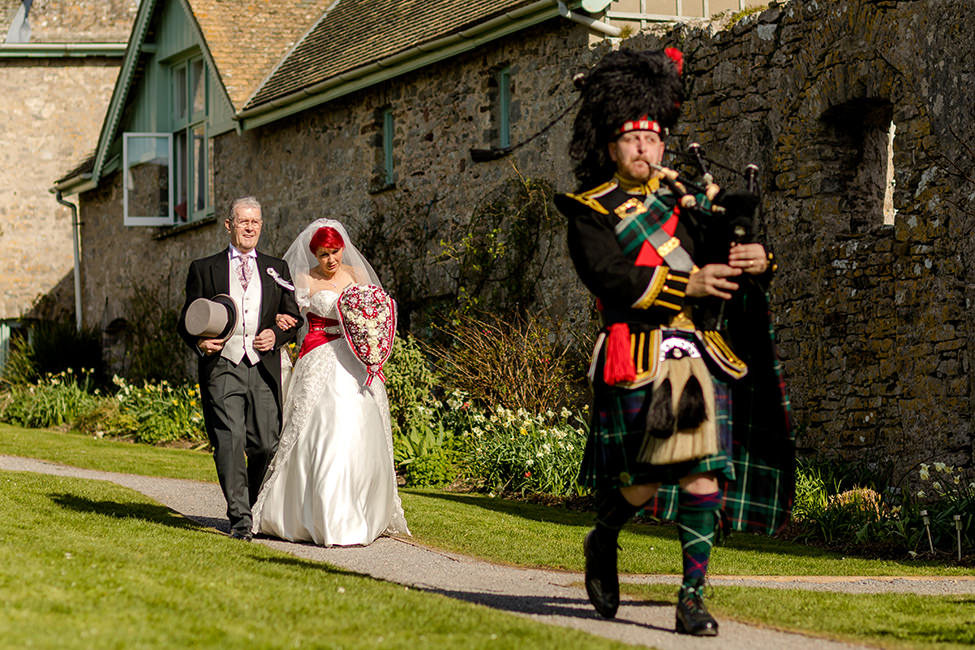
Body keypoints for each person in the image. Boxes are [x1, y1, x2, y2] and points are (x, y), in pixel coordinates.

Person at [553, 49, 793, 636]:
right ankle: (604, 535)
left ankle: (691, 598)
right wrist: (688, 280)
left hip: (699, 355)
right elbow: (611, 278)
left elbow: (725, 262)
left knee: (701, 473)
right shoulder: (590, 212)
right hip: (636, 355)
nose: (645, 148)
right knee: (643, 478)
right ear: (610, 146)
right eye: (632, 139)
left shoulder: (687, 203)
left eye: (653, 138)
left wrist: (758, 261)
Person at [250, 219, 409, 546]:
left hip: (355, 360)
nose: (331, 260)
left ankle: (362, 512)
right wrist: (281, 319)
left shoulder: (355, 275)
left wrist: (373, 348)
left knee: (359, 429)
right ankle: (314, 515)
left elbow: (377, 313)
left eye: (335, 252)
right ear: (315, 254)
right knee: (320, 429)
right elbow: (289, 316)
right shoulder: (304, 279)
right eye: (324, 254)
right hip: (320, 357)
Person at [178, 196, 301, 541]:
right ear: (229, 225)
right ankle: (241, 520)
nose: (250, 227)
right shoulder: (205, 268)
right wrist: (200, 343)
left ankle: (250, 503)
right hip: (223, 365)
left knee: (266, 442)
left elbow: (294, 320)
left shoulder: (277, 269)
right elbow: (187, 321)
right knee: (229, 440)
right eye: (243, 221)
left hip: (262, 367)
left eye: (256, 222)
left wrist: (275, 334)